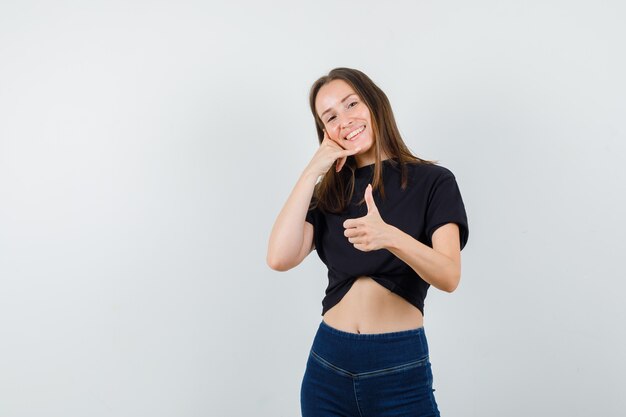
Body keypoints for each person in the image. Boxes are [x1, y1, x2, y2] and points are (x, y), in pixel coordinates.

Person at [267, 67, 469, 417]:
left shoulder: (434, 182)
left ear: (374, 103)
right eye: (330, 117)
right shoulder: (330, 191)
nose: (344, 120)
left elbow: (449, 275)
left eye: (351, 104)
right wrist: (313, 171)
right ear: (325, 132)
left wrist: (389, 236)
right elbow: (279, 258)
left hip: (398, 366)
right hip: (328, 364)